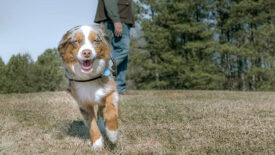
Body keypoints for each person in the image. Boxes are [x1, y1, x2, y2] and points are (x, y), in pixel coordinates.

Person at [94, 0, 135, 94]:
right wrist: (116, 20)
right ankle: (103, 72)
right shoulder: (116, 19)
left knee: (123, 54)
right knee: (122, 50)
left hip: (121, 19)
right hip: (117, 19)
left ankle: (119, 88)